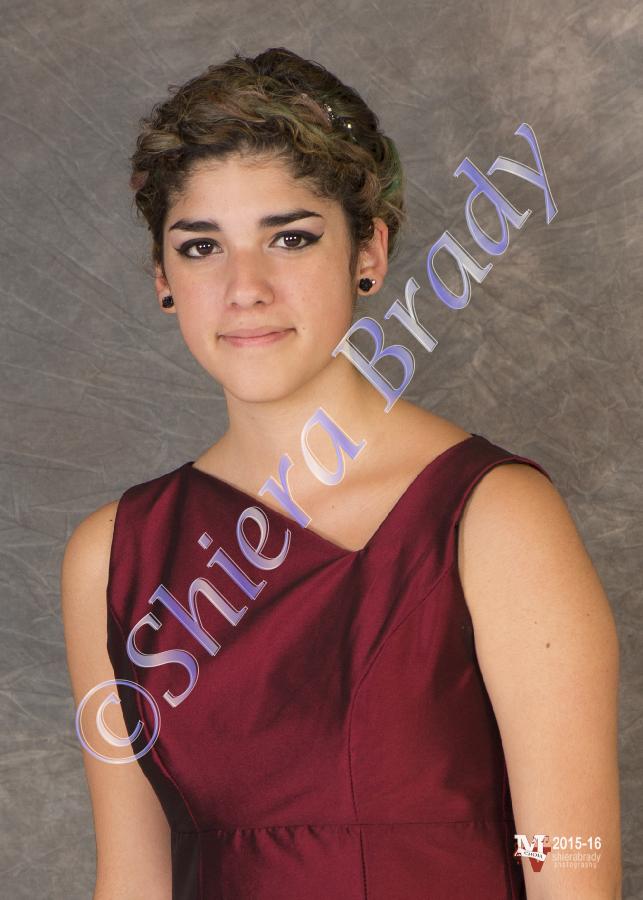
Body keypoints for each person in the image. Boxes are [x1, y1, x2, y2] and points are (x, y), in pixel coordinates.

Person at [61, 47, 621, 900]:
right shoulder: (114, 556)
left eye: (289, 238)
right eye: (202, 247)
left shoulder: (495, 516)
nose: (245, 287)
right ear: (162, 278)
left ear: (370, 252)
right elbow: (132, 881)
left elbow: (572, 877)